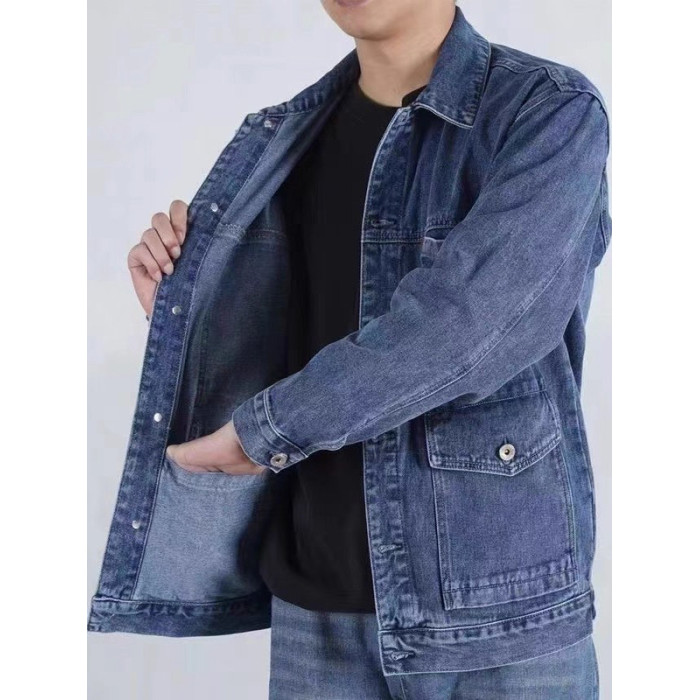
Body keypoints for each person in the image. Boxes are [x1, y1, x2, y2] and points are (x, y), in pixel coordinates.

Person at [117, 1, 610, 697]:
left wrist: (265, 431)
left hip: (495, 622)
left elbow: (471, 325)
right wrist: (187, 308)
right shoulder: (284, 138)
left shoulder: (547, 112)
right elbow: (285, 340)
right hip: (314, 618)